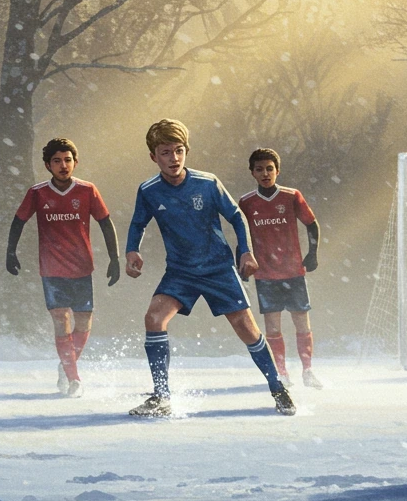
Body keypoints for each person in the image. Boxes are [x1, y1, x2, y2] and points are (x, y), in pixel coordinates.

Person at [124, 119, 295, 417]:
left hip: (218, 269)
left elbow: (237, 216)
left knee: (247, 329)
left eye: (179, 151)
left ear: (186, 151)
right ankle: (161, 397)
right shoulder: (149, 190)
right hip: (180, 272)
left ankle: (277, 388)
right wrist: (132, 250)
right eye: (165, 152)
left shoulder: (207, 182)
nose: (174, 158)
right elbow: (138, 222)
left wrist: (245, 252)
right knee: (154, 318)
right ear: (154, 157)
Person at [6, 138, 119, 397]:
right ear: (48, 165)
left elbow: (105, 222)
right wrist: (10, 251)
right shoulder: (37, 193)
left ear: (75, 162)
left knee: (84, 322)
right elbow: (18, 221)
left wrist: (114, 258)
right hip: (52, 268)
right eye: (57, 161)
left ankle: (66, 364)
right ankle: (74, 379)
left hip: (82, 267)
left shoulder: (87, 190)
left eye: (67, 160)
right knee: (61, 320)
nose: (63, 165)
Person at [239, 147, 323, 389]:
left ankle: (308, 371)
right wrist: (242, 260)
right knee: (273, 326)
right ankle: (282, 373)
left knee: (301, 322)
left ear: (277, 170)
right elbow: (239, 232)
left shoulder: (291, 196)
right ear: (252, 172)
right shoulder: (246, 202)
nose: (265, 173)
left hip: (293, 271)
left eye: (269, 168)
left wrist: (312, 253)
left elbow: (312, 223)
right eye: (259, 169)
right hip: (264, 273)